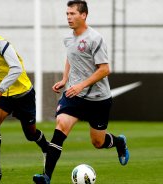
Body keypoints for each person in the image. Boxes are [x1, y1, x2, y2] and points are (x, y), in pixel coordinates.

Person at [33, 1, 129, 183]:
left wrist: (81, 85)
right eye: (67, 14)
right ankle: (46, 176)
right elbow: (71, 57)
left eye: (72, 14)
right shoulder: (68, 38)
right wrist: (65, 80)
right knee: (60, 125)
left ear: (83, 15)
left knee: (98, 142)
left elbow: (104, 69)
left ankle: (119, 142)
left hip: (99, 99)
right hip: (74, 95)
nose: (68, 17)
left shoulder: (95, 38)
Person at [0, 23, 48, 182]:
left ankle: (46, 148)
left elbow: (16, 68)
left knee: (31, 134)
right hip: (2, 96)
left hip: (23, 94)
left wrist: (0, 89)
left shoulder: (2, 45)